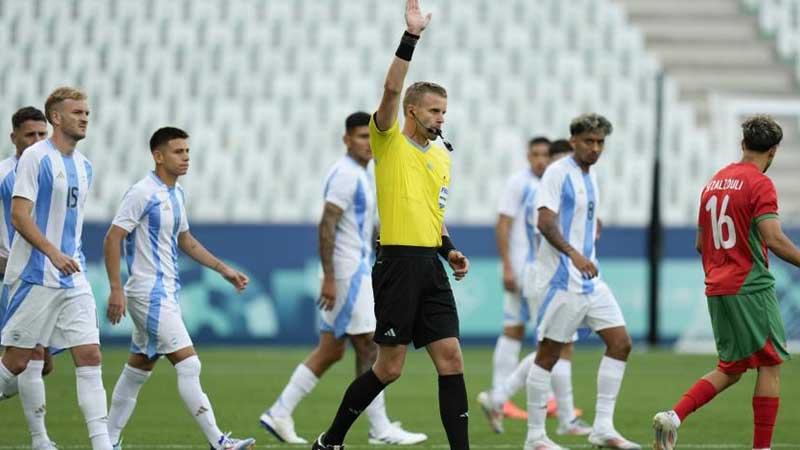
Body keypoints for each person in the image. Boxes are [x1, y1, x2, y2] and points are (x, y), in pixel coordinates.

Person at [311, 1, 471, 449]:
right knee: (389, 368)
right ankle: (331, 440)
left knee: (451, 358)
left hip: (430, 267)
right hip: (398, 265)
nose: (442, 118)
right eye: (435, 110)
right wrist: (411, 38)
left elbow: (432, 215)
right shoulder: (389, 143)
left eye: (444, 110)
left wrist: (449, 249)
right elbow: (388, 89)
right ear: (413, 111)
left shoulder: (442, 156)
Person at [258, 112, 426, 445]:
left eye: (369, 136)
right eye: (361, 136)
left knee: (332, 350)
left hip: (355, 268)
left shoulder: (363, 174)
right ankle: (379, 427)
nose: (367, 142)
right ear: (347, 139)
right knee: (370, 345)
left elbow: (359, 225)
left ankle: (279, 412)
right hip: (348, 273)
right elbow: (327, 224)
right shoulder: (345, 175)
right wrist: (331, 278)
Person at [103, 127, 255, 450]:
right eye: (178, 152)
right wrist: (116, 288)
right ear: (158, 156)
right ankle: (219, 442)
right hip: (148, 292)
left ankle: (107, 441)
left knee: (138, 368)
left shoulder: (177, 194)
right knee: (189, 364)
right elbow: (113, 237)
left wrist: (224, 270)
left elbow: (186, 240)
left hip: (165, 292)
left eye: (187, 151)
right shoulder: (142, 192)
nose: (186, 158)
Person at [653, 115, 795, 450]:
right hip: (750, 287)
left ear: (743, 144)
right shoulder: (760, 184)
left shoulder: (715, 182)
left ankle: (672, 418)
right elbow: (773, 239)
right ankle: (762, 448)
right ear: (773, 151)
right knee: (770, 365)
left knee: (731, 369)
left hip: (718, 287)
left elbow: (701, 243)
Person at [0, 87, 114, 450]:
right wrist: (51, 252)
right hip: (34, 276)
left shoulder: (85, 166)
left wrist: (67, 257)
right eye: (77, 112)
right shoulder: (34, 158)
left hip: (71, 277)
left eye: (87, 112)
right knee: (16, 363)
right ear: (57, 118)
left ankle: (102, 444)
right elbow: (20, 216)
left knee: (90, 355)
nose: (84, 117)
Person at [525, 114, 640, 450]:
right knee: (548, 355)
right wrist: (574, 253)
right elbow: (546, 222)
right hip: (562, 280)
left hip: (591, 281)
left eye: (600, 142)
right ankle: (535, 437)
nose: (595, 148)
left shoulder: (590, 177)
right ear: (573, 140)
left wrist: (592, 225)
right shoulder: (557, 173)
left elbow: (578, 216)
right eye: (589, 141)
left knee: (621, 343)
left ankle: (602, 427)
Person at [478, 138, 591, 437]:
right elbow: (535, 231)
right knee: (555, 344)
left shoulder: (545, 190)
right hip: (544, 276)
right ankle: (557, 415)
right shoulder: (539, 191)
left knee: (549, 342)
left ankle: (504, 398)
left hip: (537, 274)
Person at [0, 106, 57, 449]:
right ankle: (41, 440)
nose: (37, 141)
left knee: (42, 363)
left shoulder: (51, 170)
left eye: (41, 134)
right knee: (30, 357)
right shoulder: (4, 174)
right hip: (15, 277)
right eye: (29, 135)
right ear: (14, 138)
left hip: (46, 275)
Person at [489, 136, 550, 421]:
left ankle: (503, 397)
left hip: (539, 271)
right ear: (528, 156)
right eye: (535, 154)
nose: (540, 159)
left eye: (544, 155)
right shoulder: (519, 183)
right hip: (524, 270)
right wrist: (507, 266)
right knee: (536, 333)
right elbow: (503, 224)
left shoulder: (548, 183)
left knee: (524, 331)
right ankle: (505, 396)